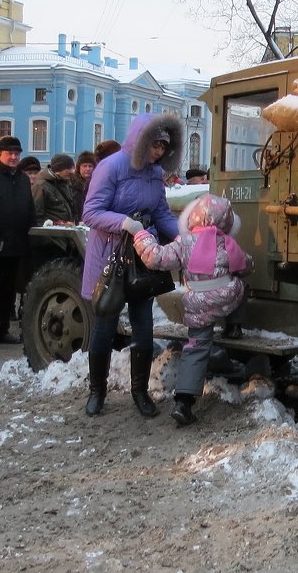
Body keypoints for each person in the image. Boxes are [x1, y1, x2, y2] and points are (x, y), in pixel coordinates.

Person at [81, 114, 183, 418]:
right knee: (104, 326)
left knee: (144, 326)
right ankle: (97, 392)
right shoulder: (110, 167)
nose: (160, 152)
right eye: (155, 145)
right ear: (141, 141)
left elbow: (161, 212)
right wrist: (125, 223)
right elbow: (91, 213)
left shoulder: (154, 174)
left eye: (165, 146)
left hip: (143, 258)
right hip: (110, 259)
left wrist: (185, 235)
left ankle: (139, 392)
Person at [133, 193, 253, 426]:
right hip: (225, 297)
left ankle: (184, 403)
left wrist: (141, 236)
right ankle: (234, 325)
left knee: (196, 347)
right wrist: (248, 265)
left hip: (197, 303)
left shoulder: (183, 242)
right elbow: (245, 265)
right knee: (240, 284)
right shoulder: (227, 242)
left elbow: (156, 258)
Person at [0, 136, 35, 343]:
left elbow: (29, 208)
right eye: (9, 153)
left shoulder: (23, 179)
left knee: (6, 290)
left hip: (15, 243)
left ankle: (0, 330)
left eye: (17, 153)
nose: (13, 157)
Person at [70, 150, 97, 222]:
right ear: (79, 167)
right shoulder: (71, 184)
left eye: (90, 166)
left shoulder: (98, 184)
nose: (87, 169)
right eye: (84, 166)